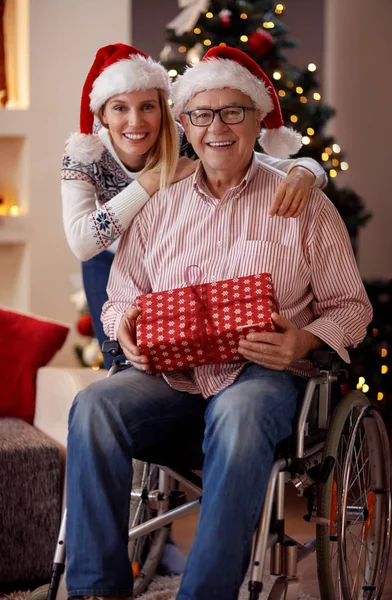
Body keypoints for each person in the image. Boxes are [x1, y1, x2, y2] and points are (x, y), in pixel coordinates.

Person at [65, 45, 372, 600]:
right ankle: (98, 589)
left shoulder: (301, 199)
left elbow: (352, 307)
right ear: (184, 124)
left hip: (262, 376)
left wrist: (303, 338)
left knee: (237, 406)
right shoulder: (159, 202)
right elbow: (118, 298)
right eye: (202, 115)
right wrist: (123, 325)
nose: (217, 127)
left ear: (258, 120)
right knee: (94, 405)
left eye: (233, 111)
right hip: (172, 379)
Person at [61, 43, 327, 369]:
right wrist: (149, 183)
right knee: (122, 361)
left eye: (147, 107)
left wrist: (304, 173)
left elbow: (267, 165)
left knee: (180, 356)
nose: (135, 121)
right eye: (119, 108)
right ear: (101, 114)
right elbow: (81, 242)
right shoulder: (84, 154)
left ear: (164, 108)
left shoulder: (185, 137)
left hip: (160, 258)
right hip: (109, 257)